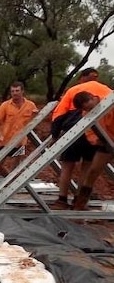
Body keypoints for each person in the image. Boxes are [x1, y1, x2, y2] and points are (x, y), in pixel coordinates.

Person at [49, 68, 110, 209]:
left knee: (67, 167)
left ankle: (62, 200)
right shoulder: (107, 90)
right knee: (87, 168)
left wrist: (55, 135)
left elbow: (59, 114)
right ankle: (79, 200)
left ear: (82, 77)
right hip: (97, 133)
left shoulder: (74, 90)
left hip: (73, 131)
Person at [69, 90, 114, 210]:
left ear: (93, 98)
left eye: (90, 108)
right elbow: (89, 131)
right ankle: (80, 203)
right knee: (93, 171)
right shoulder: (86, 113)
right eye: (87, 109)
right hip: (106, 142)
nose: (89, 111)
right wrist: (95, 139)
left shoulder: (109, 102)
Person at [0, 82, 38, 175]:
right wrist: (0, 135)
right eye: (12, 91)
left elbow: (35, 121)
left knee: (15, 168)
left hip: (21, 142)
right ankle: (7, 179)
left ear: (22, 91)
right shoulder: (5, 105)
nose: (15, 93)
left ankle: (11, 183)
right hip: (5, 140)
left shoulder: (30, 105)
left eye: (17, 90)